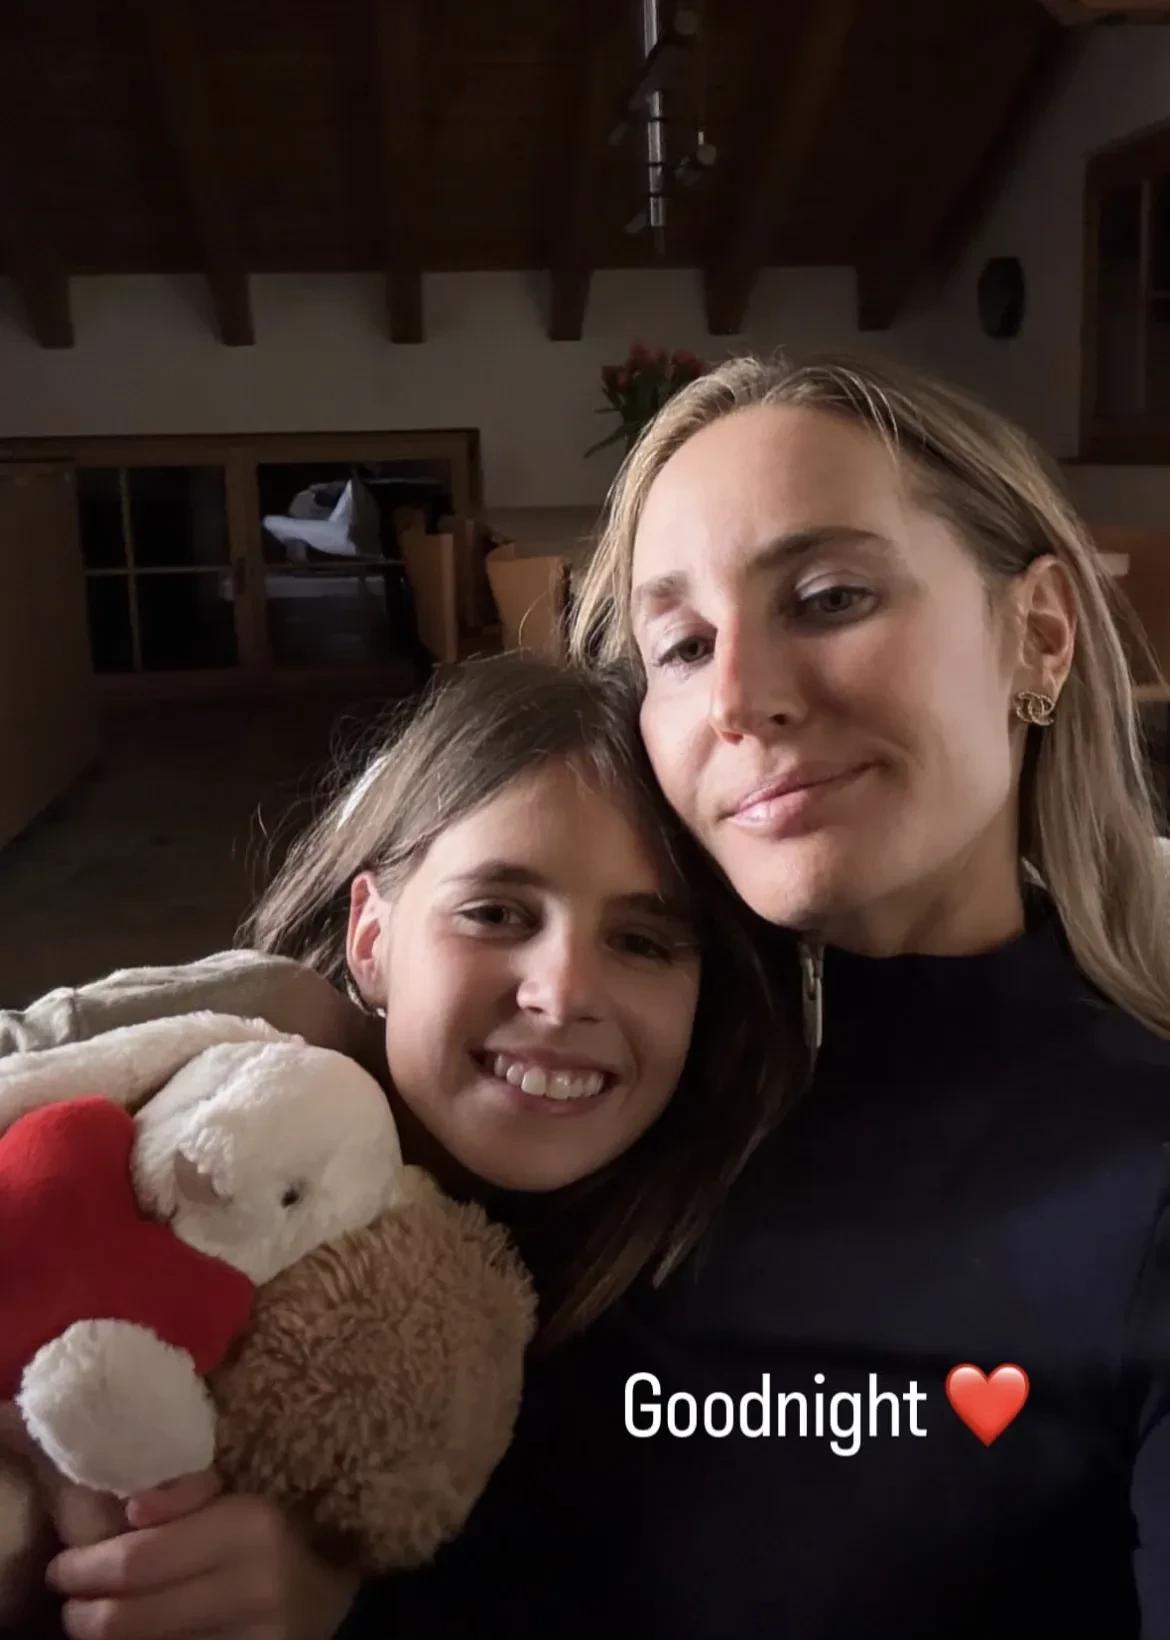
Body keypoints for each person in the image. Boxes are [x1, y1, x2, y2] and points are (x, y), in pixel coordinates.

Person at [347, 351, 1170, 1640]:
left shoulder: (1136, 1175)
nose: (737, 698)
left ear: (1042, 634)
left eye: (830, 597)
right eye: (680, 646)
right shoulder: (593, 1060)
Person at [0, 654, 793, 1639]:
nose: (560, 993)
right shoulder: (241, 1046)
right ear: (372, 938)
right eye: (496, 913)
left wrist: (330, 1588)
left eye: (642, 941)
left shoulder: (670, 1281)